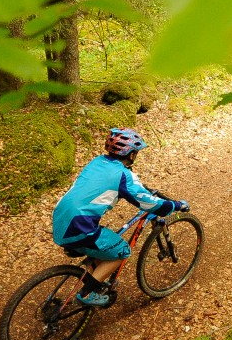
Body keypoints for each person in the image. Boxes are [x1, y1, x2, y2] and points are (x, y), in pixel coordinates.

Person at [50, 127, 188, 307]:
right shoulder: (124, 176)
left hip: (60, 218)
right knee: (122, 251)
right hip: (79, 227)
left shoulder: (97, 162)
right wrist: (176, 205)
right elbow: (149, 204)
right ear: (131, 155)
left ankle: (96, 276)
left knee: (101, 246)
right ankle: (88, 292)